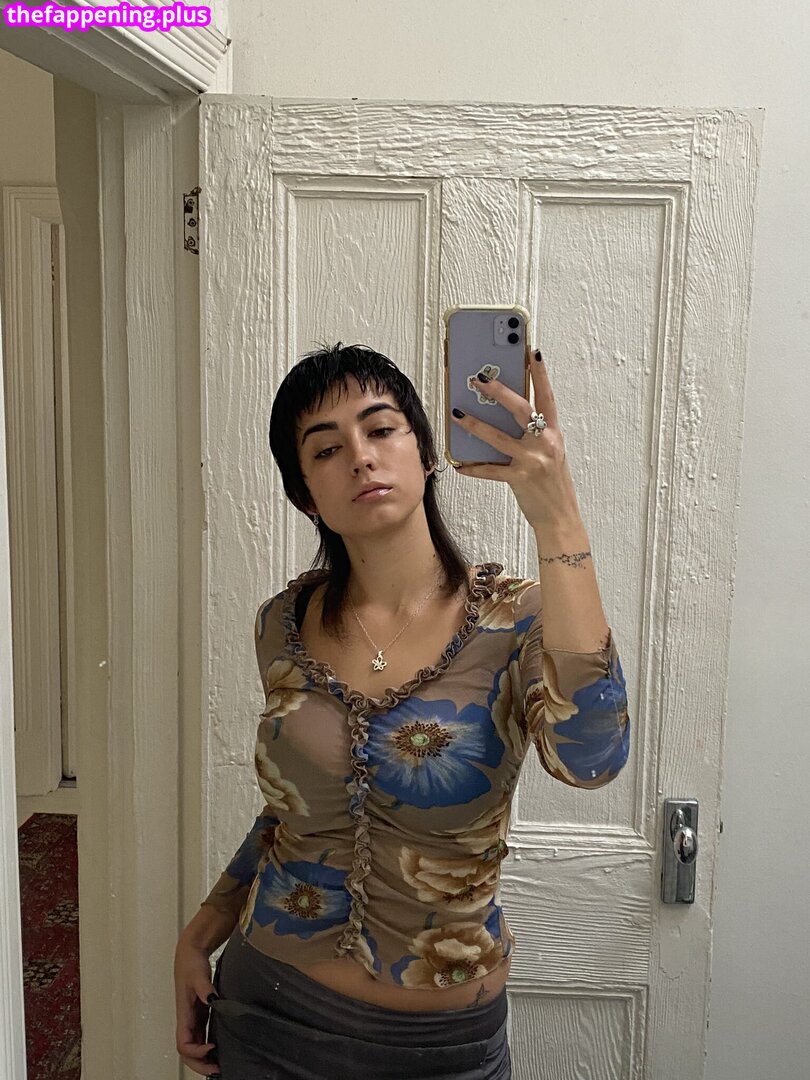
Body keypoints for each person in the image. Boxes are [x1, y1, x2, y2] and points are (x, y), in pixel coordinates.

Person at [174, 342, 631, 1079]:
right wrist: (203, 929)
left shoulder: (518, 621)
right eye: (326, 449)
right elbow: (294, 811)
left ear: (425, 453)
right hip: (269, 1009)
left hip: (442, 1048)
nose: (360, 457)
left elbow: (593, 761)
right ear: (305, 495)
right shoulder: (281, 624)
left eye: (381, 429)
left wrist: (559, 522)